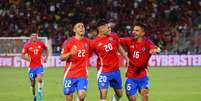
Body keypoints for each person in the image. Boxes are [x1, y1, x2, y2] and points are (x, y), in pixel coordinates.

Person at [120, 23, 160, 101]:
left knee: (144, 95)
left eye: (137, 31)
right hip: (131, 76)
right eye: (133, 30)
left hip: (143, 76)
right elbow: (116, 41)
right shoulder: (129, 41)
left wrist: (155, 50)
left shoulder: (147, 42)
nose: (133, 32)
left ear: (142, 33)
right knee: (132, 99)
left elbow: (157, 49)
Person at [91, 19, 128, 101]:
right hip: (103, 71)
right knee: (103, 93)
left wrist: (127, 58)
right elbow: (87, 54)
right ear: (101, 29)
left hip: (115, 70)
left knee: (120, 94)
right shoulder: (94, 42)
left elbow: (119, 47)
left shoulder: (114, 36)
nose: (109, 29)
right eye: (107, 27)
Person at [60, 21, 91, 101]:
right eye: (79, 26)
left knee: (82, 95)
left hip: (82, 74)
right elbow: (62, 57)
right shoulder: (68, 42)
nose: (81, 28)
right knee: (69, 97)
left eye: (83, 26)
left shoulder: (88, 42)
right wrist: (70, 53)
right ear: (74, 30)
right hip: (70, 74)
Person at [21, 33, 49, 101]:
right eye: (32, 36)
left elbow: (46, 49)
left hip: (39, 66)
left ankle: (39, 91)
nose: (34, 37)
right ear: (30, 37)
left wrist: (46, 58)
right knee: (33, 84)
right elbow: (22, 54)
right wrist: (27, 58)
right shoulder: (27, 45)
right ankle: (34, 96)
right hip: (31, 68)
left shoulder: (41, 44)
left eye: (35, 36)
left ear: (37, 37)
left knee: (39, 79)